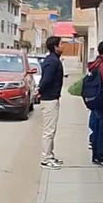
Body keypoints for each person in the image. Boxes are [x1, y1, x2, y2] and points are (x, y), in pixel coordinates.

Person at [36, 36, 64, 169]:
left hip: (52, 98)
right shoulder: (52, 62)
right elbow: (46, 80)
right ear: (55, 47)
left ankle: (50, 155)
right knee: (49, 131)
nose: (63, 46)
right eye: (61, 44)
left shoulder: (53, 59)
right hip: (49, 99)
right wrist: (39, 90)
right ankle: (45, 159)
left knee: (51, 130)